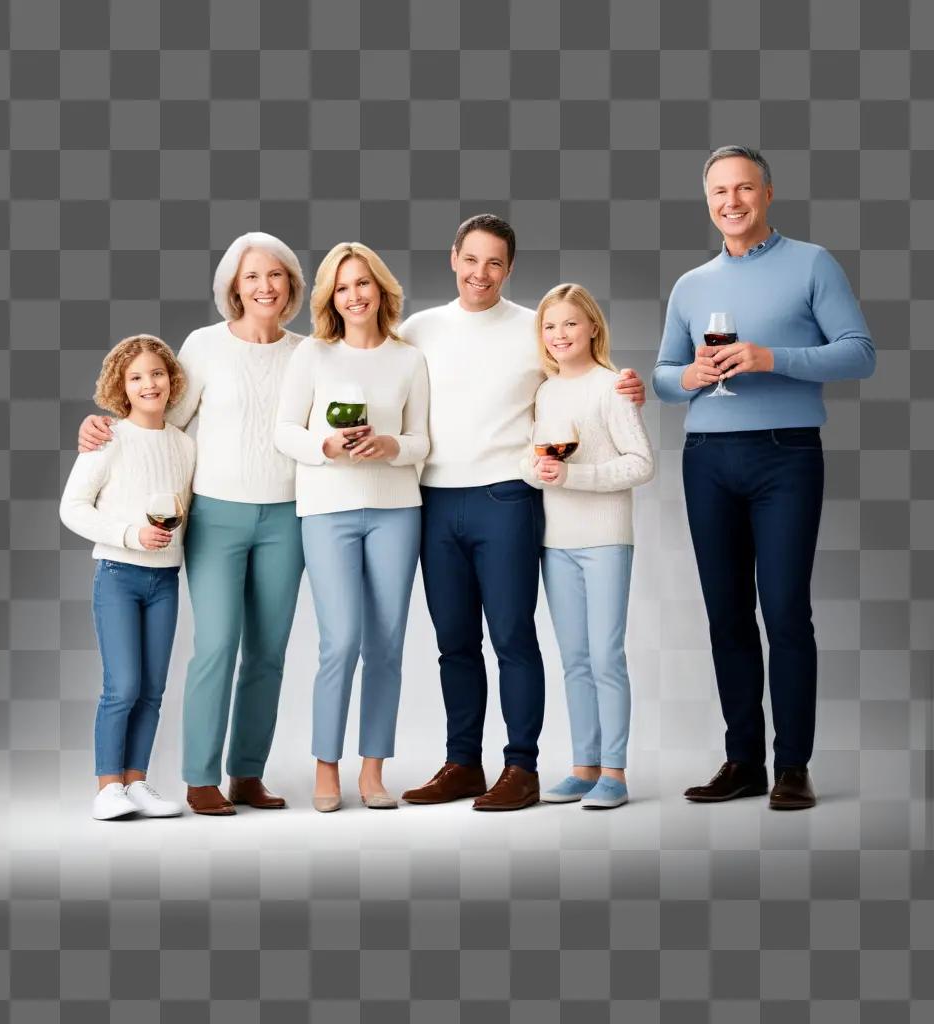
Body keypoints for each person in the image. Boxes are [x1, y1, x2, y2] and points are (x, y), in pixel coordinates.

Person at [398, 214, 647, 812]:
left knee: (513, 636)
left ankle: (521, 767)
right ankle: (462, 763)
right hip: (435, 501)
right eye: (471, 259)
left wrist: (626, 385)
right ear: (453, 258)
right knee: (454, 642)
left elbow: (579, 375)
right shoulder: (418, 330)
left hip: (506, 500)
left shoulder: (532, 329)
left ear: (509, 270)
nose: (481, 273)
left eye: (495, 263)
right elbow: (371, 378)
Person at [653, 145, 876, 810]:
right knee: (726, 616)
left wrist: (768, 357)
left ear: (767, 194)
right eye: (719, 191)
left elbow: (859, 354)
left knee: (785, 612)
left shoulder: (812, 263)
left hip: (785, 456)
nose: (731, 202)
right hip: (708, 459)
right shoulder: (691, 286)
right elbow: (665, 378)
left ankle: (793, 767)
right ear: (708, 201)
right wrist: (692, 376)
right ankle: (743, 760)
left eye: (744, 189)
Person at [77, 233, 306, 816]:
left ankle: (247, 774)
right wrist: (100, 428)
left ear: (291, 285)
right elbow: (158, 421)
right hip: (215, 517)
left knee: (269, 651)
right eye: (251, 276)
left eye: (275, 275)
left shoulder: (308, 352)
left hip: (287, 515)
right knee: (216, 646)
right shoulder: (202, 347)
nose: (264, 287)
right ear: (233, 287)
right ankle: (200, 777)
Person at [275, 243, 429, 812]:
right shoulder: (313, 355)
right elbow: (285, 431)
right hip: (326, 509)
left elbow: (422, 442)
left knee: (386, 646)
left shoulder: (408, 360)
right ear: (329, 299)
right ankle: (325, 769)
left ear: (380, 289)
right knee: (339, 642)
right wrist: (325, 443)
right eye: (342, 287)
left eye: (363, 283)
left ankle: (372, 772)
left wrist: (390, 446)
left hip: (396, 511)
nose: (355, 295)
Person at [523, 284, 654, 810]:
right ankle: (584, 766)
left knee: (605, 656)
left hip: (605, 540)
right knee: (574, 658)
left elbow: (641, 462)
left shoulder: (613, 386)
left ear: (593, 327)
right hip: (556, 543)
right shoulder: (545, 392)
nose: (560, 335)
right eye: (550, 326)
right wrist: (535, 471)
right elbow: (530, 461)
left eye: (570, 324)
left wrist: (573, 476)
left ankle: (615, 775)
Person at [61, 335, 196, 820]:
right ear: (121, 386)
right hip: (118, 575)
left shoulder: (184, 444)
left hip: (165, 581)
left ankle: (137, 782)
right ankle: (107, 789)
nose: (149, 383)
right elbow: (71, 508)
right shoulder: (108, 439)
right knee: (122, 685)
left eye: (157, 373)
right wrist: (129, 534)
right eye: (136, 376)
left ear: (172, 380)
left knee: (153, 689)